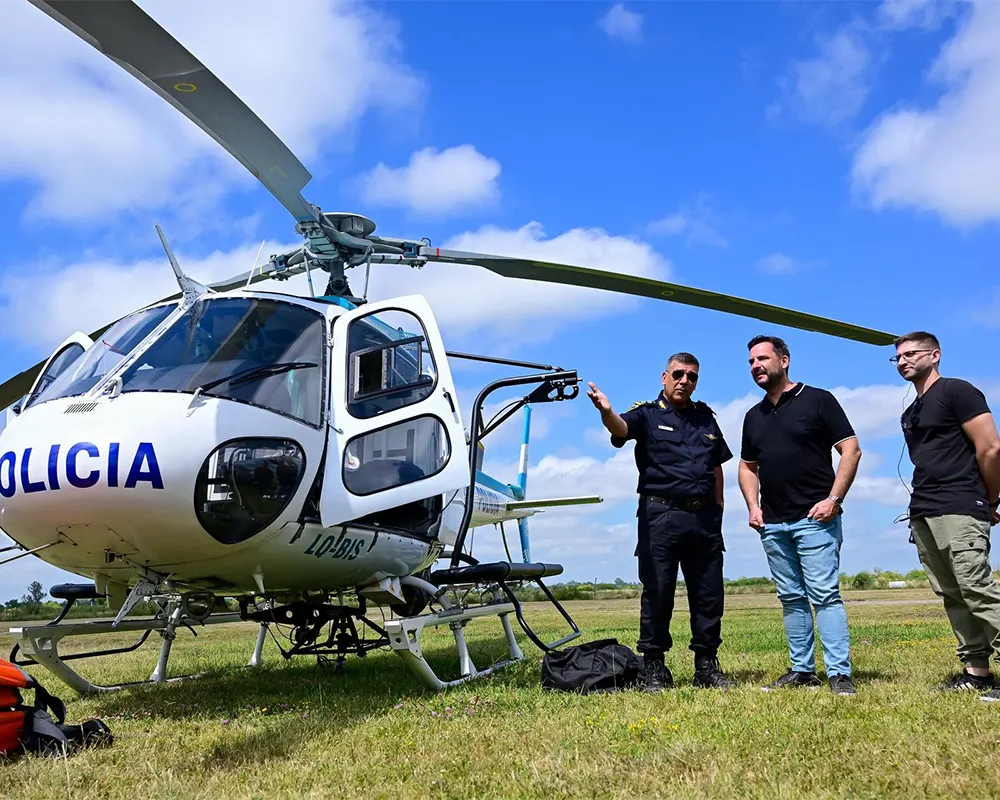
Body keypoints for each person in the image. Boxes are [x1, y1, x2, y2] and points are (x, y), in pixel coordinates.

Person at [587, 352, 735, 692]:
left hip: (704, 517)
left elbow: (716, 465)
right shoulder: (647, 415)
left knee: (709, 593)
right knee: (658, 591)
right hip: (661, 516)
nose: (685, 381)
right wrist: (606, 412)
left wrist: (719, 509)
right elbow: (621, 430)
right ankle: (654, 667)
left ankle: (707, 666)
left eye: (692, 376)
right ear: (664, 377)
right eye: (679, 374)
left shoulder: (705, 418)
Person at [737, 335, 861, 696]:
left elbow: (850, 450)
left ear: (784, 360)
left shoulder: (819, 400)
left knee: (824, 595)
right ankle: (802, 670)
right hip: (773, 524)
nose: (756, 366)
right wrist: (753, 506)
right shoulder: (753, 416)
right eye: (751, 362)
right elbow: (747, 467)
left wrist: (833, 500)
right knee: (791, 598)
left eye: (762, 358)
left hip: (816, 519)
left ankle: (839, 673)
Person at [893, 331, 1000, 701]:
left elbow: (990, 446)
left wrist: (989, 499)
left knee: (977, 587)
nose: (904, 360)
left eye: (911, 353)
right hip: (924, 509)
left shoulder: (958, 391)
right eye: (899, 357)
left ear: (935, 355)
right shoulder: (912, 411)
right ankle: (977, 671)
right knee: (952, 593)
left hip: (961, 504)